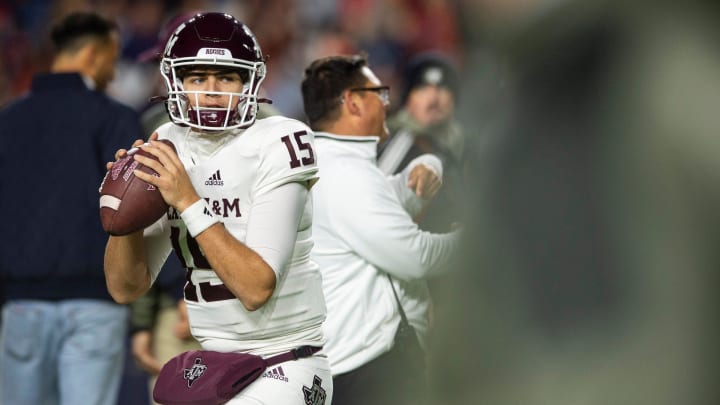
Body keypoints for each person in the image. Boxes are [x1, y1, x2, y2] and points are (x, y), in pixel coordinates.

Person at [102, 12, 332, 404]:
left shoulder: (281, 139)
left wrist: (188, 199)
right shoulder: (167, 141)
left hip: (284, 359)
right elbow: (126, 288)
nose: (211, 91)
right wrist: (127, 217)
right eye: (197, 78)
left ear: (249, 83)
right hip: (211, 362)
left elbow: (256, 287)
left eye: (225, 77)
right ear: (176, 83)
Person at [300, 54, 460, 405]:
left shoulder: (337, 163)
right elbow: (416, 257)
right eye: (378, 93)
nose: (386, 102)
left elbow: (390, 200)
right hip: (369, 370)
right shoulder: (344, 175)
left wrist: (427, 165)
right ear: (354, 104)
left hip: (357, 363)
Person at [0, 11, 143, 405]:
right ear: (94, 55)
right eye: (112, 60)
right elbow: (138, 210)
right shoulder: (115, 118)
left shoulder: (8, 121)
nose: (112, 74)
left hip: (22, 305)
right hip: (95, 305)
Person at [377, 51, 465, 233]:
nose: (433, 99)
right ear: (408, 100)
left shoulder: (460, 147)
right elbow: (372, 205)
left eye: (442, 89)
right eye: (423, 89)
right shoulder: (402, 141)